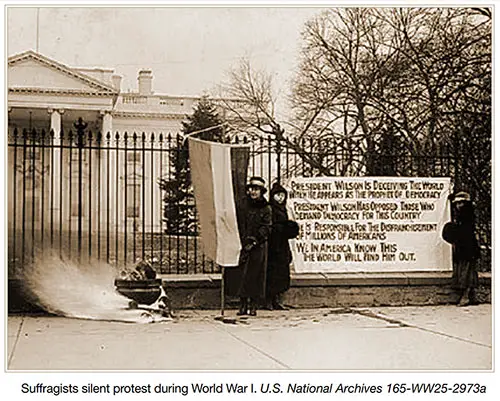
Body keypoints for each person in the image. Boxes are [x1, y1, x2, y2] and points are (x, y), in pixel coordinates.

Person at [236, 176, 272, 316]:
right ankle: (242, 304)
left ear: (261, 192)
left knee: (255, 275)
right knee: (242, 275)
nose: (253, 192)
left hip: (258, 245)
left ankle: (253, 305)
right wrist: (242, 239)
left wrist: (255, 240)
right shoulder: (242, 205)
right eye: (251, 189)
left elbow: (267, 227)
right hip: (243, 244)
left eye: (256, 189)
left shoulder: (266, 208)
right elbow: (238, 222)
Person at [442, 191, 481, 306]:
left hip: (467, 247)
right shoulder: (464, 213)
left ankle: (465, 296)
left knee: (466, 272)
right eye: (457, 203)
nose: (458, 205)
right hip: (466, 247)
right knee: (469, 271)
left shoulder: (466, 214)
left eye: (461, 203)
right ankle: (472, 296)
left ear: (465, 203)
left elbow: (463, 230)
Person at [265, 183, 299, 310]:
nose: (280, 198)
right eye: (277, 196)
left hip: (282, 245)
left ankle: (277, 300)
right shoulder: (270, 208)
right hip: (273, 245)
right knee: (271, 274)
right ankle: (269, 300)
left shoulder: (284, 209)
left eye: (282, 196)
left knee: (281, 274)